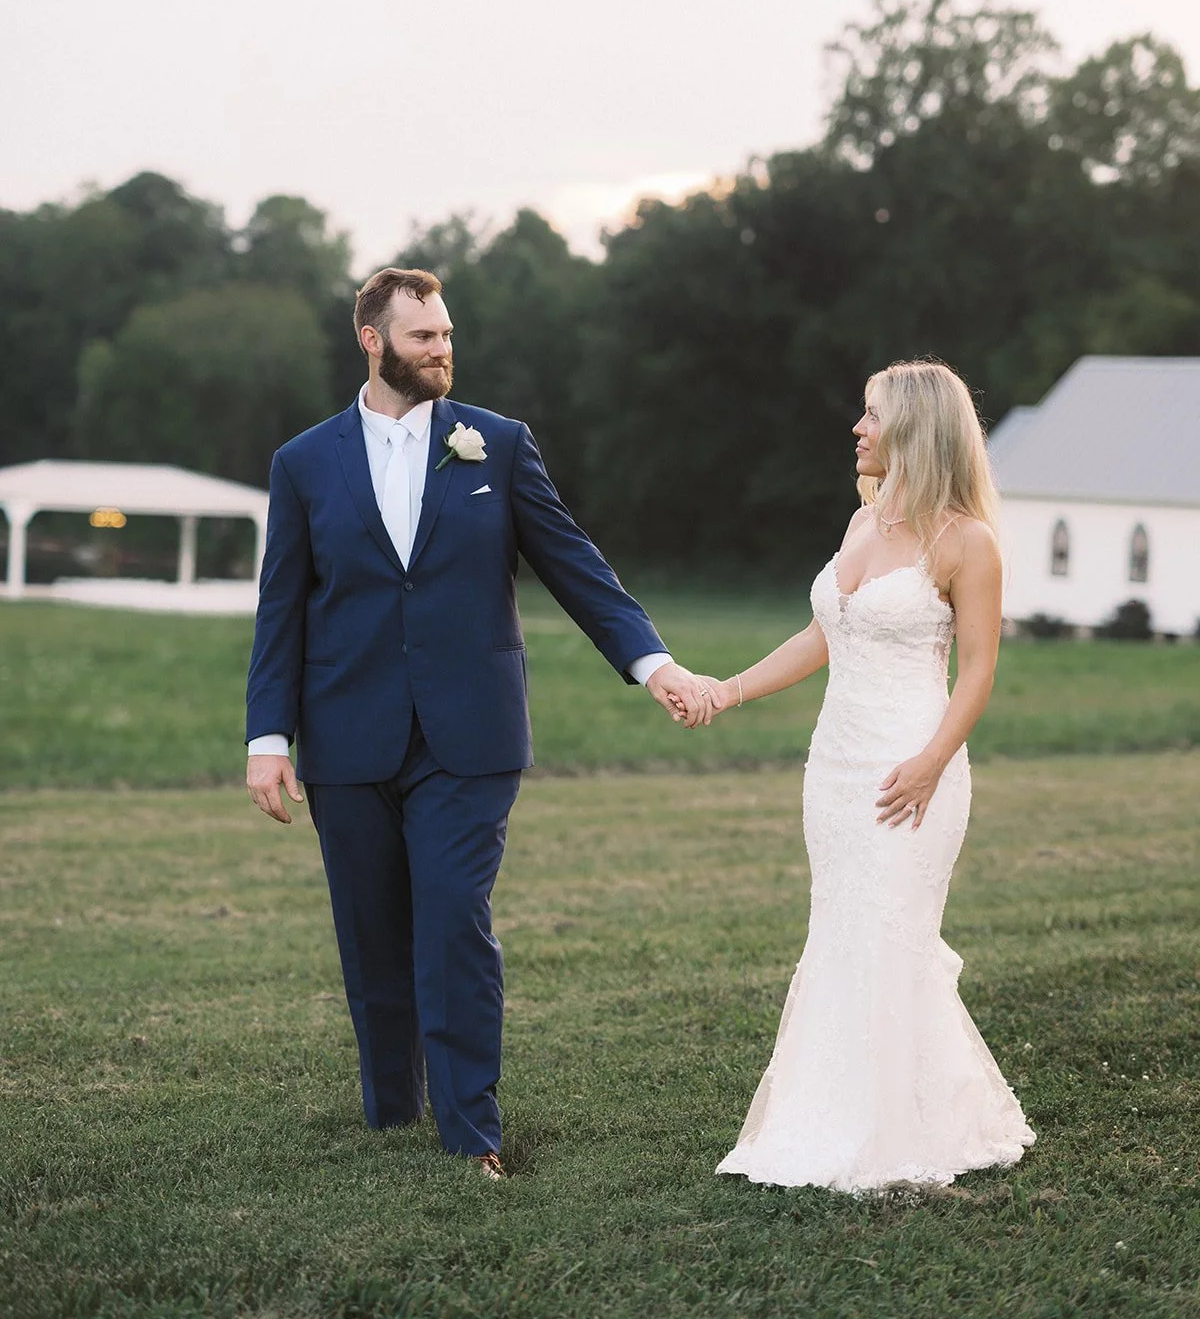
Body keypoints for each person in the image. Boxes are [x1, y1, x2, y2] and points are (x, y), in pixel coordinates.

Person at [245, 267, 709, 1179]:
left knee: (454, 920)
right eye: (424, 337)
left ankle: (473, 1133)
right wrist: (269, 740)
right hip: (347, 736)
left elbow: (575, 564)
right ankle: (390, 1114)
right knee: (371, 933)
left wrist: (653, 663)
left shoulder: (495, 444)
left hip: (471, 736)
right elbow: (282, 610)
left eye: (448, 334)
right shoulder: (302, 464)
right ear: (372, 341)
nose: (443, 350)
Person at [702, 359, 1036, 1192]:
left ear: (918, 429)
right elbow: (826, 635)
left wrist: (930, 764)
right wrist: (729, 690)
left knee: (894, 933)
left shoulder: (968, 542)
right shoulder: (864, 523)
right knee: (843, 931)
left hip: (914, 767)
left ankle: (898, 1130)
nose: (857, 428)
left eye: (872, 415)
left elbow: (979, 672)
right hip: (836, 768)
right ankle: (826, 1116)